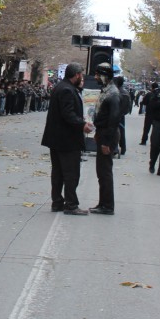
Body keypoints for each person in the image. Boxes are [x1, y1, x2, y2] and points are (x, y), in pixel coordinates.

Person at [41, 63, 93, 215]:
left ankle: (57, 202)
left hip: (57, 138)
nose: (82, 78)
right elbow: (68, 114)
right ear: (76, 75)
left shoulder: (63, 87)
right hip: (66, 139)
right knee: (71, 173)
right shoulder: (67, 90)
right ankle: (71, 204)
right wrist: (82, 124)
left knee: (58, 173)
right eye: (81, 75)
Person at [89, 62, 121, 214]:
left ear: (104, 76)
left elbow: (113, 120)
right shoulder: (106, 91)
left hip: (108, 136)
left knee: (105, 172)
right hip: (102, 133)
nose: (95, 77)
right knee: (101, 172)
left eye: (97, 75)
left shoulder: (113, 94)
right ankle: (102, 203)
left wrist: (106, 142)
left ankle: (107, 206)